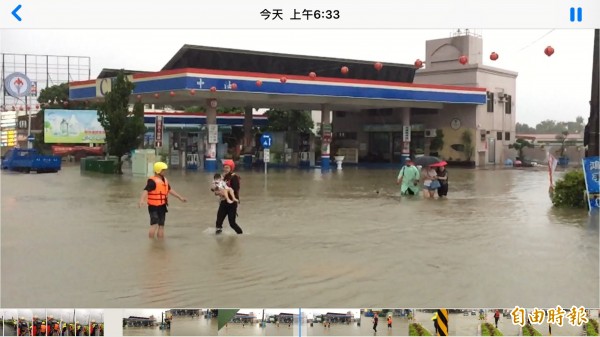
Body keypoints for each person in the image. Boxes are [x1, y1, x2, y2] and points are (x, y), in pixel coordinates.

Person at [138, 161, 187, 239]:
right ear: (158, 171)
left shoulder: (164, 180)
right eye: (163, 170)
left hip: (162, 206)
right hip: (153, 206)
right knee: (154, 224)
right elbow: (146, 190)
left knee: (161, 225)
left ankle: (160, 244)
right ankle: (152, 243)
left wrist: (180, 197)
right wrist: (141, 200)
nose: (165, 171)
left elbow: (169, 190)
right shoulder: (152, 181)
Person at [212, 159, 243, 235]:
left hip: (232, 203)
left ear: (231, 168)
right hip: (223, 202)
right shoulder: (223, 177)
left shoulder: (234, 177)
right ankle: (218, 239)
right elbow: (216, 187)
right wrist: (216, 191)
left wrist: (223, 192)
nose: (225, 169)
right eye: (224, 167)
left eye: (227, 168)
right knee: (218, 222)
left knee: (232, 223)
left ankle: (241, 235)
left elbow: (235, 190)